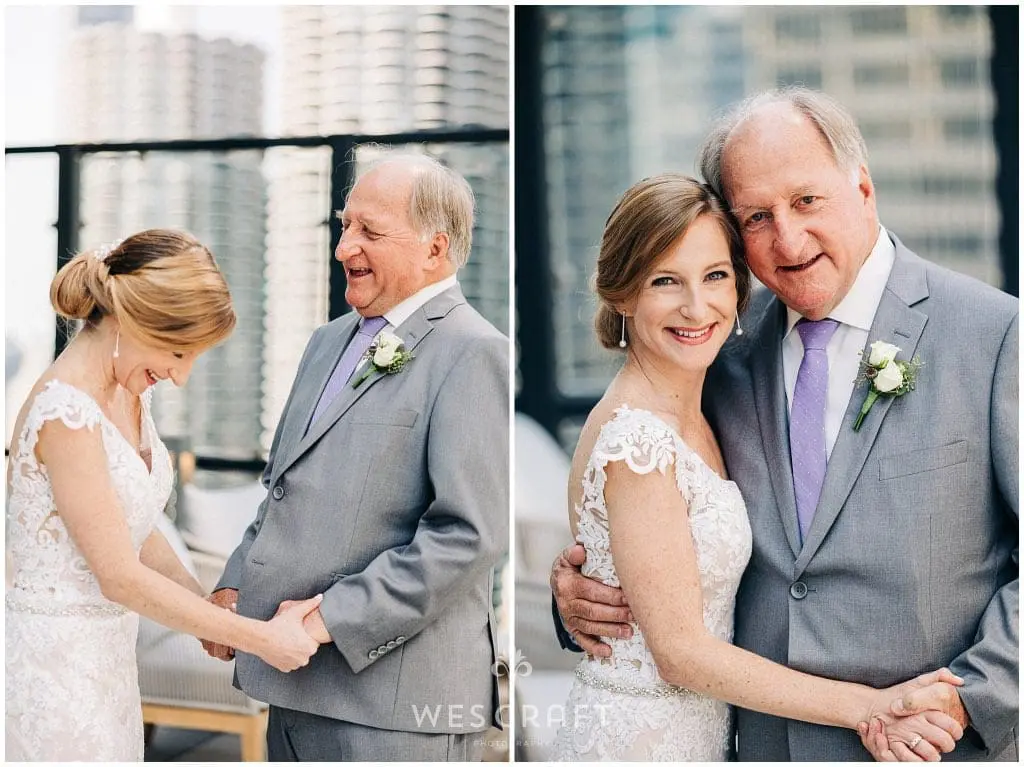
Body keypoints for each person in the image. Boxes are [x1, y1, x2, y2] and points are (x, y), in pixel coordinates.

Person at [551, 87, 1018, 761]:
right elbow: (651, 540)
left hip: (930, 745)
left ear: (863, 189)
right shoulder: (719, 354)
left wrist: (970, 694)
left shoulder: (994, 335)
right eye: (758, 217)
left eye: (807, 201)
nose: (789, 239)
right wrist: (579, 593)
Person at [201, 155, 509, 762]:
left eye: (369, 231)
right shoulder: (324, 342)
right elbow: (284, 485)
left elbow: (464, 539)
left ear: (434, 248)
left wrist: (323, 622)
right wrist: (234, 585)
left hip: (391, 711)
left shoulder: (475, 354)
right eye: (345, 227)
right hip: (290, 684)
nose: (344, 249)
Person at [5, 229, 323, 762]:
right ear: (130, 322)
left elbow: (135, 522)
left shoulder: (130, 389)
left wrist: (203, 604)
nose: (179, 375)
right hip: (55, 669)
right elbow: (119, 575)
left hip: (108, 663)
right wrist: (257, 638)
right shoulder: (66, 413)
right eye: (178, 351)